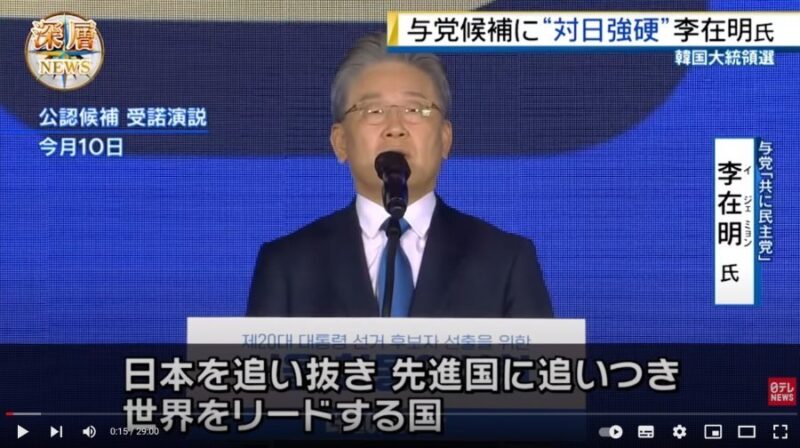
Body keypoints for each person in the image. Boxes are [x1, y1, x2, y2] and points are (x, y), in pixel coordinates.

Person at [247, 32, 552, 318]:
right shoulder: (286, 265)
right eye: (374, 111)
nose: (395, 127)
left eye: (415, 110)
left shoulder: (506, 261)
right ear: (340, 142)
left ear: (445, 139)